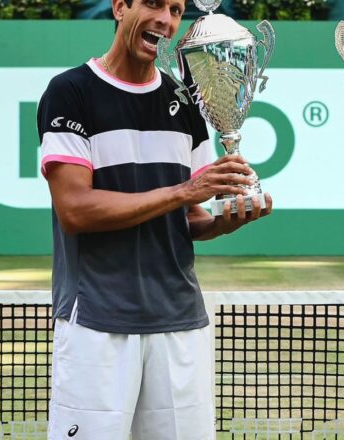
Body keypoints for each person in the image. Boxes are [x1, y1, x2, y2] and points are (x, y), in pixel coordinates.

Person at [37, 0, 272, 438]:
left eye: (176, 9)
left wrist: (226, 220)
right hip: (96, 323)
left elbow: (191, 219)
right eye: (153, 4)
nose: (165, 20)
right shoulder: (70, 92)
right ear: (120, 7)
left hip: (179, 322)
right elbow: (74, 210)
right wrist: (185, 191)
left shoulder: (186, 100)